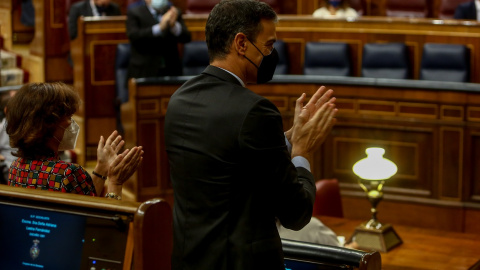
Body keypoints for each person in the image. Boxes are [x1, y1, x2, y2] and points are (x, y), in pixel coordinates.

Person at [164, 0, 338, 269]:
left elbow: (229, 156)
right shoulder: (255, 110)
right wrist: (302, 150)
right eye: (268, 45)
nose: (270, 55)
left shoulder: (179, 99)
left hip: (189, 259)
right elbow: (295, 213)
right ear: (241, 44)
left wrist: (289, 136)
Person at [6, 82, 143, 199]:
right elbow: (100, 225)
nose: (72, 124)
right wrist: (115, 182)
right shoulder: (68, 173)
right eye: (69, 117)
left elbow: (86, 199)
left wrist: (101, 167)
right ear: (49, 124)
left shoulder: (16, 167)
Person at [126, 0, 192, 78]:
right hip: (144, 71)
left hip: (171, 70)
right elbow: (134, 36)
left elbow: (187, 37)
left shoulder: (172, 11)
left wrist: (174, 26)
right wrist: (159, 28)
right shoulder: (135, 12)